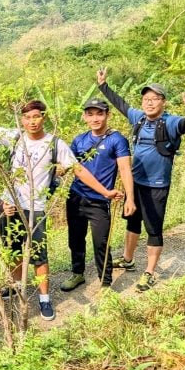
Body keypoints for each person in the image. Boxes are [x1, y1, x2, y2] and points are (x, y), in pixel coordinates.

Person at [0, 85, 121, 320]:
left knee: (40, 255)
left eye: (36, 116)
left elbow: (78, 170)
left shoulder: (55, 144)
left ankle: (44, 298)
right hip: (11, 206)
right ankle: (17, 288)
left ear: (44, 118)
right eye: (27, 117)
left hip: (37, 207)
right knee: (13, 251)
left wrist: (105, 191)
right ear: (22, 120)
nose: (32, 122)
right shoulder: (15, 137)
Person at [96, 69, 185, 291]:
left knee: (153, 228)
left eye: (154, 99)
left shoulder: (170, 122)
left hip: (157, 186)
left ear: (163, 102)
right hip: (135, 183)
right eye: (146, 99)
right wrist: (103, 86)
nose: (149, 103)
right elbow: (120, 104)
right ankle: (128, 259)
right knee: (132, 221)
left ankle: (150, 272)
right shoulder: (139, 118)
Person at [61, 97, 136, 292]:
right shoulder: (79, 140)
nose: (95, 118)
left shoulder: (117, 139)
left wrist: (130, 198)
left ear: (107, 115)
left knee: (101, 242)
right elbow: (67, 166)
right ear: (84, 117)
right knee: (75, 238)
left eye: (100, 113)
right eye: (90, 114)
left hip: (101, 200)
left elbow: (125, 169)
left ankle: (105, 282)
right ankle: (78, 273)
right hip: (76, 197)